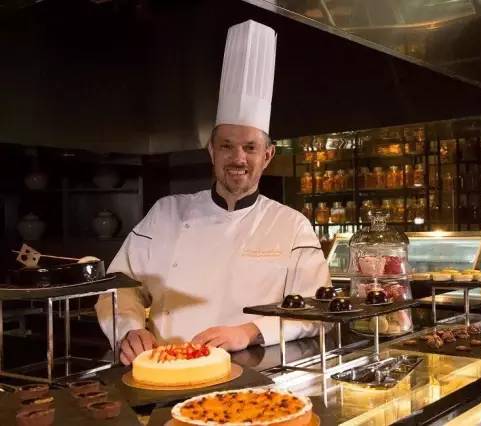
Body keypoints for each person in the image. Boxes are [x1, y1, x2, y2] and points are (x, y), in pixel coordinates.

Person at [95, 20, 330, 365]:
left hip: (253, 377)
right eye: (227, 146)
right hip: (165, 371)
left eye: (250, 148)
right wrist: (128, 330)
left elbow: (316, 310)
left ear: (267, 156)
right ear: (211, 151)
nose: (238, 159)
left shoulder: (292, 226)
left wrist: (250, 331)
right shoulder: (165, 213)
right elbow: (117, 287)